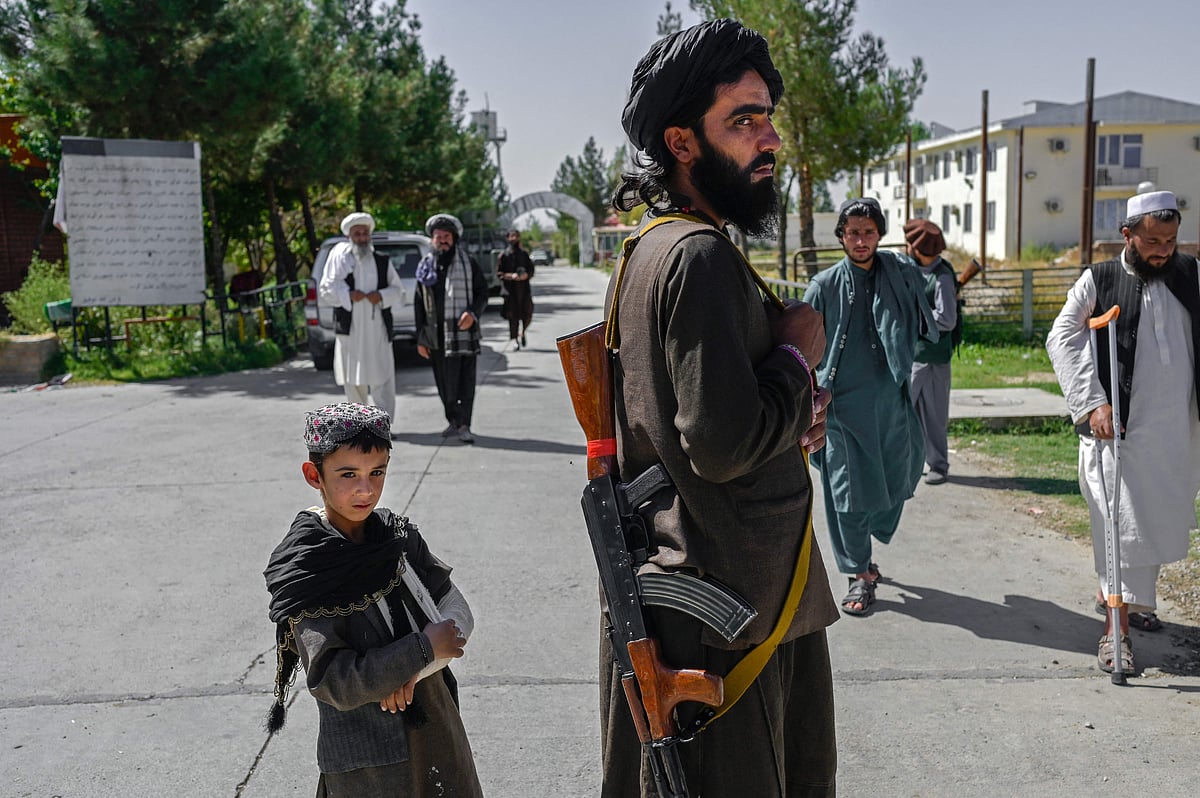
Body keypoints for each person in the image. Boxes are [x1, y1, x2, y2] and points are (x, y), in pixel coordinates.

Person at [602, 19, 839, 797]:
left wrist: (789, 400)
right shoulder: (695, 256)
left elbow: (701, 420)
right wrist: (799, 352)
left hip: (724, 601)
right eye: (743, 120)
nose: (769, 139)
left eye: (767, 116)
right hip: (723, 621)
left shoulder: (659, 245)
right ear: (681, 142)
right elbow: (721, 444)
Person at [263, 401, 483, 796]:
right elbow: (334, 680)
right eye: (348, 474)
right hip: (369, 765)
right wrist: (421, 649)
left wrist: (418, 668)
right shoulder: (309, 568)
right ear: (315, 475)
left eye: (377, 472)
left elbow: (456, 609)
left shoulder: (396, 538)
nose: (366, 489)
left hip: (436, 731)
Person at [1046, 189, 1200, 674]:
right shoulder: (1101, 277)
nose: (1163, 250)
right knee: (1118, 525)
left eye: (1171, 240)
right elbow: (1063, 335)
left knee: (1148, 524)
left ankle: (1129, 599)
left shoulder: (1192, 275)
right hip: (1117, 432)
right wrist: (1093, 401)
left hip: (1175, 434)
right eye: (1153, 240)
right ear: (1127, 234)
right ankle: (1117, 631)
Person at [803, 198, 937, 616]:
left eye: (869, 232)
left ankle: (869, 550)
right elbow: (801, 348)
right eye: (853, 232)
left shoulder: (899, 273)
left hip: (890, 403)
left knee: (897, 479)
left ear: (880, 235)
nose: (860, 241)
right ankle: (858, 573)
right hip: (840, 408)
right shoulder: (823, 286)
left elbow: (930, 288)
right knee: (848, 495)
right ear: (841, 236)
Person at [319, 212, 403, 425]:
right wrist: (347, 295)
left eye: (365, 233)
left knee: (382, 375)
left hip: (377, 328)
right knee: (352, 378)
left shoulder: (382, 261)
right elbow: (326, 291)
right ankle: (360, 424)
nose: (362, 237)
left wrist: (381, 296)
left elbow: (398, 290)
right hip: (351, 329)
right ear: (350, 236)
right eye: (357, 233)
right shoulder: (339, 262)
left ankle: (383, 425)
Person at [414, 213, 488, 444]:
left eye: (446, 236)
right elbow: (419, 303)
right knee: (445, 384)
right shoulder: (425, 266)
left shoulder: (469, 263)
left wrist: (473, 314)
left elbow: (482, 293)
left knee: (465, 383)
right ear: (432, 240)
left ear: (454, 238)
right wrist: (420, 337)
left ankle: (464, 424)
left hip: (462, 334)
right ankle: (453, 420)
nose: (442, 240)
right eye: (438, 237)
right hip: (436, 336)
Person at [904, 218, 958, 485]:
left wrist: (916, 318)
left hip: (933, 358)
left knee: (935, 414)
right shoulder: (911, 269)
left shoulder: (943, 277)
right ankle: (906, 463)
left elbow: (947, 320)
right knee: (902, 411)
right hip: (911, 356)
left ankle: (938, 465)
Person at [496, 228, 535, 350]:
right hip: (510, 291)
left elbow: (531, 269)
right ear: (507, 238)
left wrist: (526, 275)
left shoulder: (524, 254)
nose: (514, 239)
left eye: (516, 236)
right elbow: (499, 273)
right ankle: (515, 340)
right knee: (513, 317)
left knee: (527, 315)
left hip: (524, 290)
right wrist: (511, 276)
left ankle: (522, 332)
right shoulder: (504, 256)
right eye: (511, 236)